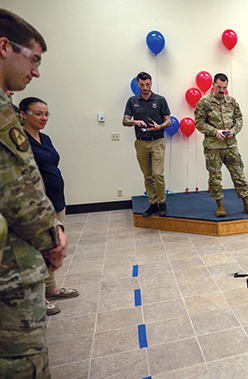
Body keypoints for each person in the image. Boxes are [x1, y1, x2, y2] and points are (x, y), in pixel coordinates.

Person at [0, 9, 68, 378]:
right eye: (34, 59)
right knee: (22, 362)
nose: (37, 71)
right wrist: (51, 238)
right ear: (4, 47)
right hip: (11, 268)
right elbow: (16, 190)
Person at [20, 97, 79, 316]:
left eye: (46, 114)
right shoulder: (20, 141)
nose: (43, 118)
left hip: (56, 201)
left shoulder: (44, 138)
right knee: (38, 252)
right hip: (38, 205)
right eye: (38, 113)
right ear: (23, 114)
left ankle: (51, 289)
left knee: (52, 248)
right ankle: (40, 299)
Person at [195, 73, 248, 217]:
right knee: (215, 177)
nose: (222, 90)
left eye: (224, 87)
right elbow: (198, 123)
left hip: (230, 146)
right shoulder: (204, 102)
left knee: (239, 175)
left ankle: (246, 204)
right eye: (219, 87)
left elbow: (239, 120)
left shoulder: (231, 101)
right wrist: (214, 131)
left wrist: (233, 131)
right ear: (213, 85)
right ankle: (220, 205)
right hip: (213, 147)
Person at [123, 71, 171, 217]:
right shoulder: (132, 101)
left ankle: (162, 203)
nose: (145, 87)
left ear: (151, 83)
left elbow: (168, 121)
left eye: (148, 84)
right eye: (142, 84)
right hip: (141, 143)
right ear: (137, 84)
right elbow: (125, 121)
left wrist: (160, 126)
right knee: (148, 176)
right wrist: (134, 122)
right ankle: (153, 204)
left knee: (158, 174)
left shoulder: (160, 99)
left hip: (157, 141)